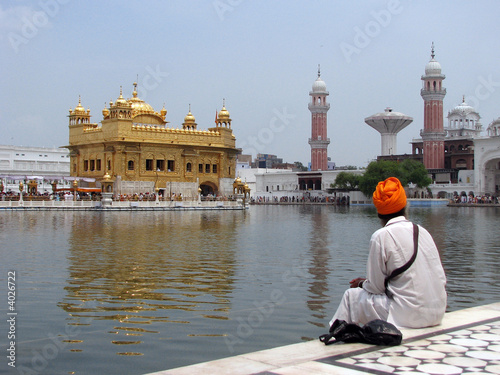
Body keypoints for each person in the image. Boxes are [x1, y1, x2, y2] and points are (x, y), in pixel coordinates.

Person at [329, 177, 447, 329]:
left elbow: (375, 288)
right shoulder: (422, 231)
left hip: (409, 316)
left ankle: (334, 341)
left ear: (379, 214)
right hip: (437, 312)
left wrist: (361, 284)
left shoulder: (381, 236)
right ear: (406, 207)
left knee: (350, 297)